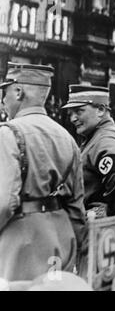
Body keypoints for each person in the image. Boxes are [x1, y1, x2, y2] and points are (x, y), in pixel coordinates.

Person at [0, 62, 86, 281]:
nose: (2, 100)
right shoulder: (67, 138)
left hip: (21, 242)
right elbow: (76, 208)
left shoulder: (8, 134)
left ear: (18, 92)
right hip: (61, 238)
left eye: (5, 92)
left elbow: (4, 203)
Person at [62, 85, 115, 217]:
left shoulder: (105, 139)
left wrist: (105, 213)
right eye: (71, 113)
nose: (72, 118)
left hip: (99, 230)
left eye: (79, 111)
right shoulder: (99, 135)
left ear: (101, 110)